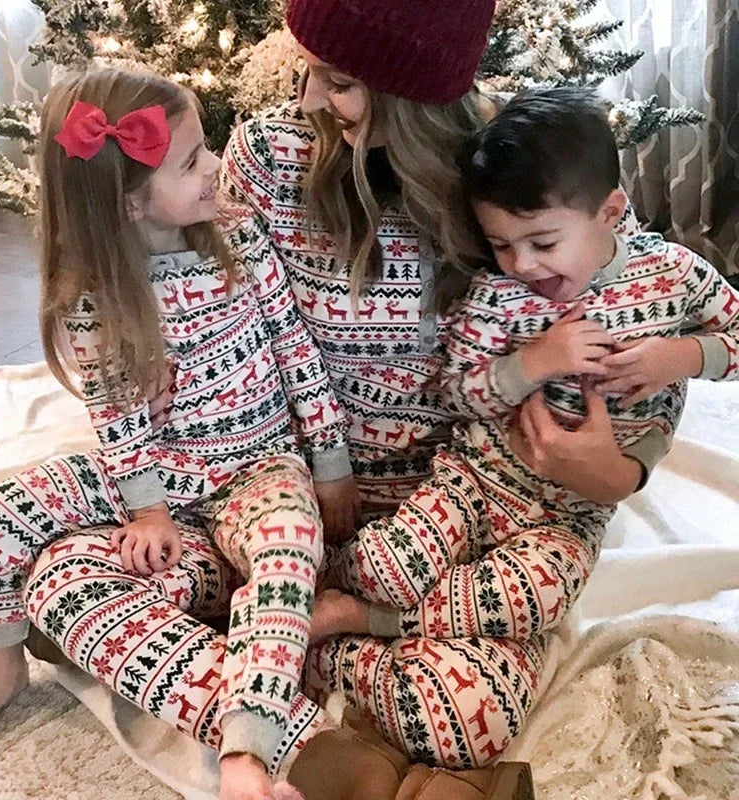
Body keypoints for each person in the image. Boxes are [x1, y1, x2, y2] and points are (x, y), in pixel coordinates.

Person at [217, 0, 657, 773]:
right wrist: (318, 468)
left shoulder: (511, 170)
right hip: (306, 495)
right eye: (309, 71)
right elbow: (240, 335)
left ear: (416, 97)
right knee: (133, 562)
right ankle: (293, 641)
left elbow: (636, 289)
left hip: (475, 509)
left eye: (341, 82)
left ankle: (310, 639)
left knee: (468, 722)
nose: (310, 101)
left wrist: (620, 472)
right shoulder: (266, 158)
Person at [0, 67, 374, 800]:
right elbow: (119, 418)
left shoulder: (238, 238)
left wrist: (329, 464)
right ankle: (5, 671)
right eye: (194, 161)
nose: (216, 167)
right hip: (162, 475)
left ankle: (247, 749)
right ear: (132, 202)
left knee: (288, 553)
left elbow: (297, 354)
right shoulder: (95, 295)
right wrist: (148, 508)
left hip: (262, 468)